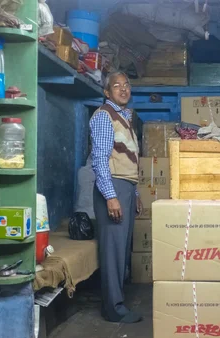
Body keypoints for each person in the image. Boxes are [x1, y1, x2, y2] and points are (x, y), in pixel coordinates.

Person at [90, 71, 143, 323]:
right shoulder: (104, 117)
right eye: (116, 86)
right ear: (107, 92)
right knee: (112, 250)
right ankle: (113, 308)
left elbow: (127, 159)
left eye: (126, 85)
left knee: (121, 249)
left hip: (125, 187)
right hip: (112, 188)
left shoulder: (125, 117)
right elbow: (100, 160)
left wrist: (135, 192)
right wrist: (111, 196)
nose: (123, 89)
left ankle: (118, 301)